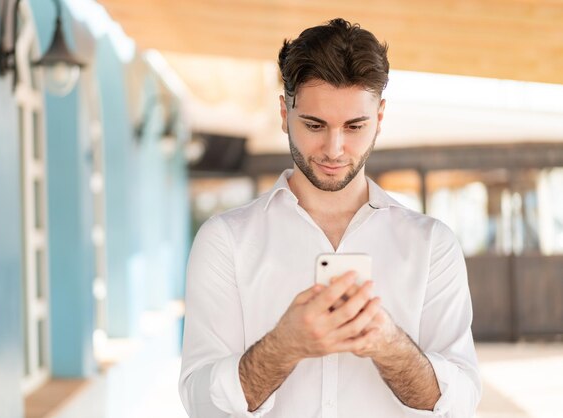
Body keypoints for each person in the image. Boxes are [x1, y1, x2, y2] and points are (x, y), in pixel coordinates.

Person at [179, 18, 481, 418]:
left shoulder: (432, 245)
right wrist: (284, 347)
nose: (335, 149)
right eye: (314, 125)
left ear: (381, 117)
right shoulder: (225, 240)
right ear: (285, 112)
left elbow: (461, 404)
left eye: (355, 126)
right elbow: (200, 405)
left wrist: (390, 346)